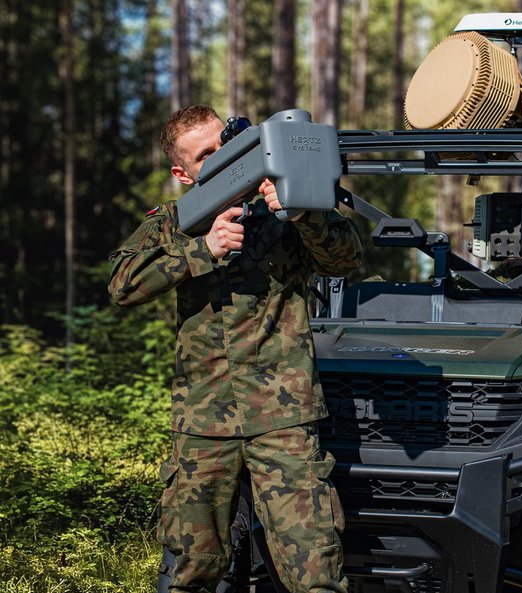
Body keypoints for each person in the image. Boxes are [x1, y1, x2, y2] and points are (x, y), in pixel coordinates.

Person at [108, 105, 363, 593]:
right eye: (206, 155)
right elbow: (122, 284)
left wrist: (304, 211)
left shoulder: (284, 208)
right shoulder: (174, 222)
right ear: (183, 174)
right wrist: (201, 249)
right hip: (204, 422)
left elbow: (346, 258)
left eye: (226, 144)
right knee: (192, 569)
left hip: (283, 419)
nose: (222, 158)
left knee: (315, 571)